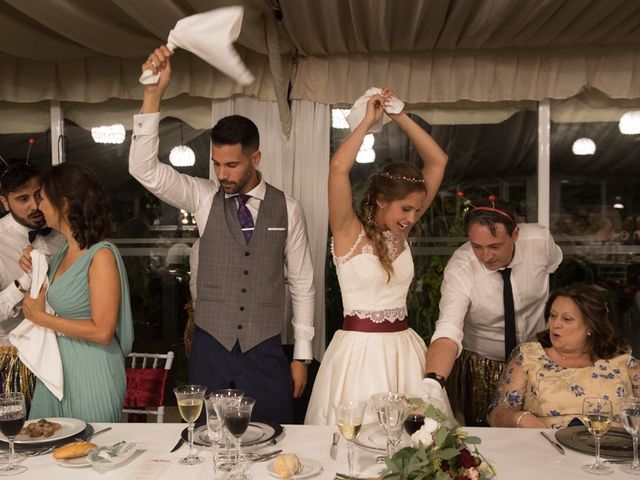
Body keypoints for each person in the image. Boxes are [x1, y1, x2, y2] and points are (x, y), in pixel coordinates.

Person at [129, 46, 315, 424]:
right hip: (210, 347)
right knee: (207, 440)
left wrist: (302, 355)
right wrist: (153, 94)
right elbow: (144, 169)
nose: (222, 174)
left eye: (232, 165)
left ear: (256, 159)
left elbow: (303, 283)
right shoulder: (201, 196)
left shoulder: (289, 209)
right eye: (216, 164)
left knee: (274, 439)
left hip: (264, 351)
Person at [305, 89, 449, 425]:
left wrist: (400, 115)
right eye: (406, 209)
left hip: (404, 352)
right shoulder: (347, 231)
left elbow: (438, 161)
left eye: (416, 209)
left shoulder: (402, 232)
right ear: (382, 200)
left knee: (414, 443)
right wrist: (368, 121)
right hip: (358, 356)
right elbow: (338, 168)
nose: (412, 218)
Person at [423, 200, 563, 426]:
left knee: (540, 431)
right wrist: (431, 383)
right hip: (482, 365)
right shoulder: (460, 267)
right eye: (477, 246)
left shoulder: (539, 242)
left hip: (537, 359)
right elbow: (448, 329)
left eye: (495, 246)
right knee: (486, 438)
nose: (486, 256)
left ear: (515, 233)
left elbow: (554, 266)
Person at [20, 163, 133, 422]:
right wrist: (33, 265)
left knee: (91, 453)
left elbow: (103, 332)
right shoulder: (62, 251)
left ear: (65, 204)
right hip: (57, 368)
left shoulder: (101, 255)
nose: (38, 206)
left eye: (43, 198)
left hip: (92, 368)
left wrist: (42, 319)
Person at [488, 283, 639, 428]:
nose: (555, 324)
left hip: (610, 450)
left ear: (591, 326)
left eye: (567, 319)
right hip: (547, 448)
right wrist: (519, 419)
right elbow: (497, 415)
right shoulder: (528, 357)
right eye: (553, 316)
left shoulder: (622, 360)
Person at [0, 160, 63, 406]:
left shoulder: (60, 234)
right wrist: (26, 280)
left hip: (60, 354)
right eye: (23, 199)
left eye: (38, 195)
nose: (35, 206)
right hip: (13, 360)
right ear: (5, 202)